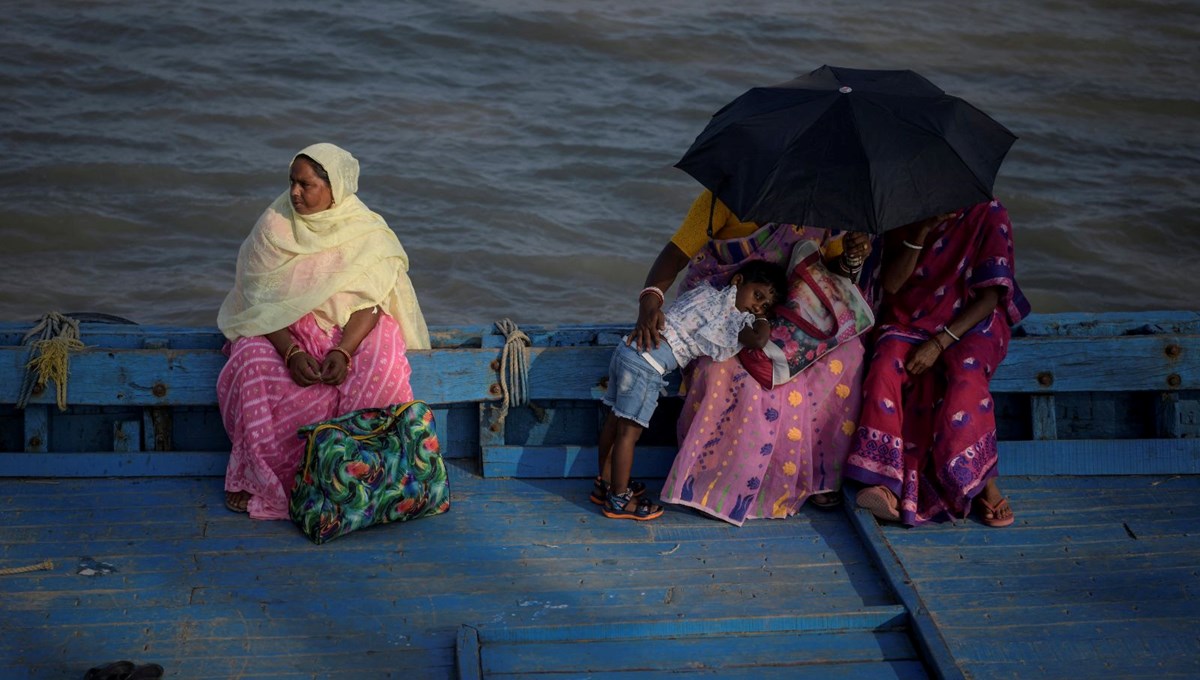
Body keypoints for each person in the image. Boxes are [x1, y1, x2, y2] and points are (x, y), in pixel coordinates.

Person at [622, 189, 877, 526]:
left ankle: (813, 476)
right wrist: (651, 299)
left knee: (848, 355)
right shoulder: (723, 200)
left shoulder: (823, 207)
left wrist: (851, 257)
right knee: (727, 373)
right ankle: (718, 484)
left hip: (779, 314)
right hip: (716, 311)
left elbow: (827, 273)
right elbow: (677, 250)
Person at [216, 143, 430, 519]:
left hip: (345, 334)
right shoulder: (275, 226)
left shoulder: (365, 230)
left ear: (335, 189)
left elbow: (371, 303)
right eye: (292, 183)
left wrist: (343, 351)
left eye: (306, 185)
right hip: (283, 331)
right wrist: (292, 352)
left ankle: (368, 474)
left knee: (384, 348)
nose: (294, 193)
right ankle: (269, 479)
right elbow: (257, 301)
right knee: (248, 354)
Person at [844, 199, 1031, 527]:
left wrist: (940, 342)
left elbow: (990, 298)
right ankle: (885, 481)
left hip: (971, 322)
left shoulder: (989, 213)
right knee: (886, 364)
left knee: (964, 376)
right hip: (909, 317)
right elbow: (890, 285)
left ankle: (981, 483)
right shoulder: (901, 214)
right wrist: (922, 229)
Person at [597, 260, 788, 521]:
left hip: (627, 350)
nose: (757, 306)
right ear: (738, 281)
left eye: (764, 305)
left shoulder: (705, 291)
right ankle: (619, 499)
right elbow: (758, 340)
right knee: (628, 433)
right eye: (758, 296)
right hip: (648, 366)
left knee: (613, 420)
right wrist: (764, 318)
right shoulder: (731, 316)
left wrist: (756, 308)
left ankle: (605, 483)